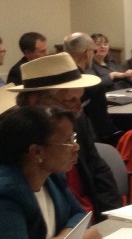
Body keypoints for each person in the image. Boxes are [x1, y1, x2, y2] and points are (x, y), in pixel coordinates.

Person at [10, 52, 123, 220]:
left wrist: (112, 217)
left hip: (88, 217)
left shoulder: (78, 120)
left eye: (80, 99)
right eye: (70, 100)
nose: (79, 108)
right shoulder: (15, 137)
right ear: (34, 101)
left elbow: (98, 168)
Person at [0, 105, 103, 239]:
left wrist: (63, 238)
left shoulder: (52, 177)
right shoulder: (6, 191)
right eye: (68, 141)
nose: (75, 147)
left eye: (74, 138)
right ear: (37, 152)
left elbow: (79, 214)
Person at [63, 32, 121, 145]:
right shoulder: (92, 86)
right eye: (93, 51)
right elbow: (103, 126)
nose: (93, 55)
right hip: (89, 141)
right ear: (86, 53)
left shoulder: (58, 81)